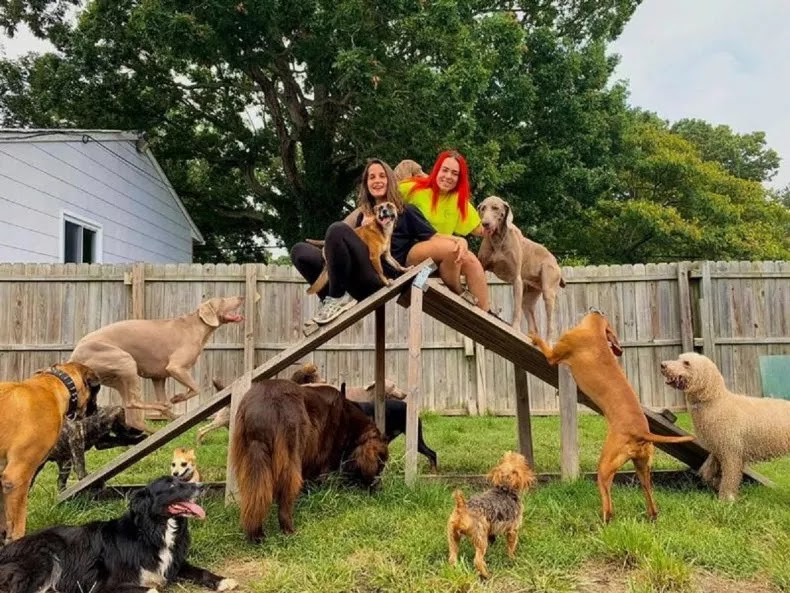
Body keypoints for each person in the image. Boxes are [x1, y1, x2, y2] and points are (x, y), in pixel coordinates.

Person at [291, 158, 492, 325]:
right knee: (300, 251)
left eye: (381, 176)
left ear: (390, 181)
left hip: (376, 278)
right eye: (371, 177)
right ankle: (331, 298)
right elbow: (342, 237)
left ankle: (336, 298)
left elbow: (433, 237)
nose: (377, 180)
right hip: (350, 275)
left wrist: (459, 239)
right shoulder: (362, 215)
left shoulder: (407, 212)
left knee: (336, 230)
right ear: (366, 184)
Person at [398, 149, 490, 310]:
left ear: (459, 178)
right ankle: (459, 292)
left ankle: (486, 315)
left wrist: (507, 224)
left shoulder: (459, 202)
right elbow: (382, 195)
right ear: (437, 170)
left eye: (454, 173)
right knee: (456, 247)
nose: (448, 176)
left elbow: (484, 231)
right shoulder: (414, 188)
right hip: (412, 257)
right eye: (445, 170)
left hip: (437, 265)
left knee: (471, 260)